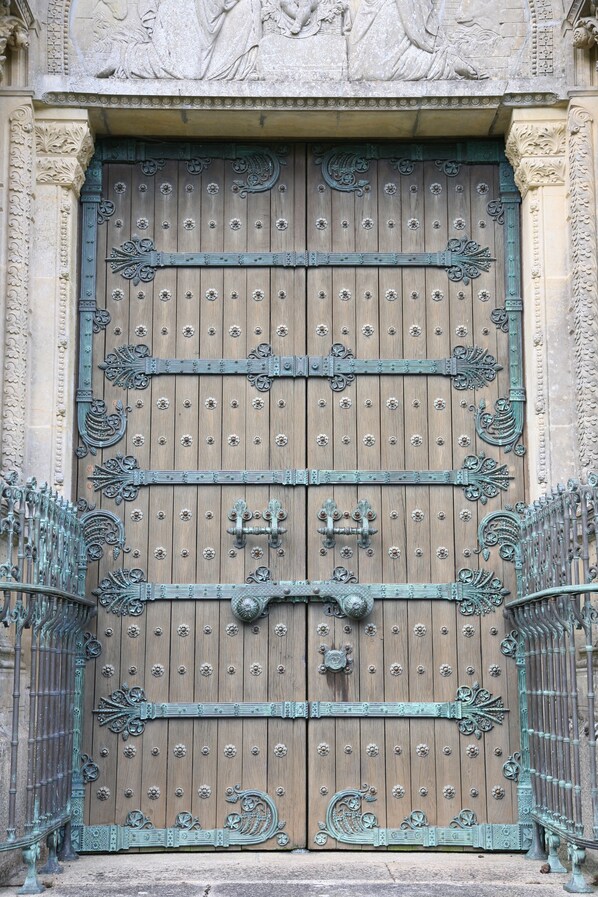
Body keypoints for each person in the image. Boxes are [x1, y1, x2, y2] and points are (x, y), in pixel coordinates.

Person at [348, 0, 485, 81]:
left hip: (400, 22)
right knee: (368, 69)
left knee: (376, 70)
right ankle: (447, 62)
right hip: (375, 17)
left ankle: (448, 62)